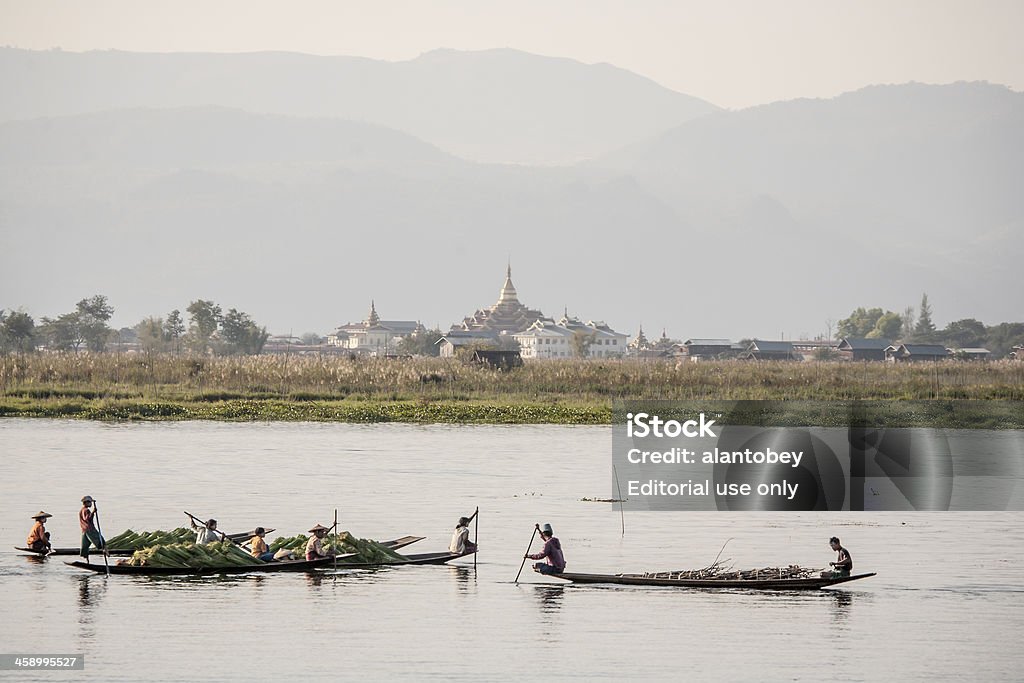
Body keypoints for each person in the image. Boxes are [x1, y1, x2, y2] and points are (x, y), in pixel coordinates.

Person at [79, 496, 105, 560]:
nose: (91, 504)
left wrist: (93, 512)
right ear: (86, 503)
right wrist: (93, 512)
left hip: (84, 530)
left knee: (85, 547)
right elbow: (87, 519)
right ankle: (106, 553)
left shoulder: (82, 510)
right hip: (90, 529)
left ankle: (87, 560)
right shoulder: (86, 510)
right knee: (101, 542)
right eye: (90, 502)